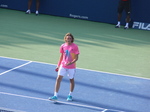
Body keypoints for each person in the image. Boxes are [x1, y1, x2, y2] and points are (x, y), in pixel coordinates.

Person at [49, 33, 80, 101]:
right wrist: (58, 65)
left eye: (70, 38)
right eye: (67, 38)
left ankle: (70, 95)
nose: (68, 39)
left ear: (72, 39)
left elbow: (76, 58)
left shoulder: (75, 46)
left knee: (71, 80)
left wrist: (70, 63)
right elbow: (61, 56)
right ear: (65, 39)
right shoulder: (63, 46)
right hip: (63, 65)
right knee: (58, 79)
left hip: (71, 67)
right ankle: (55, 95)